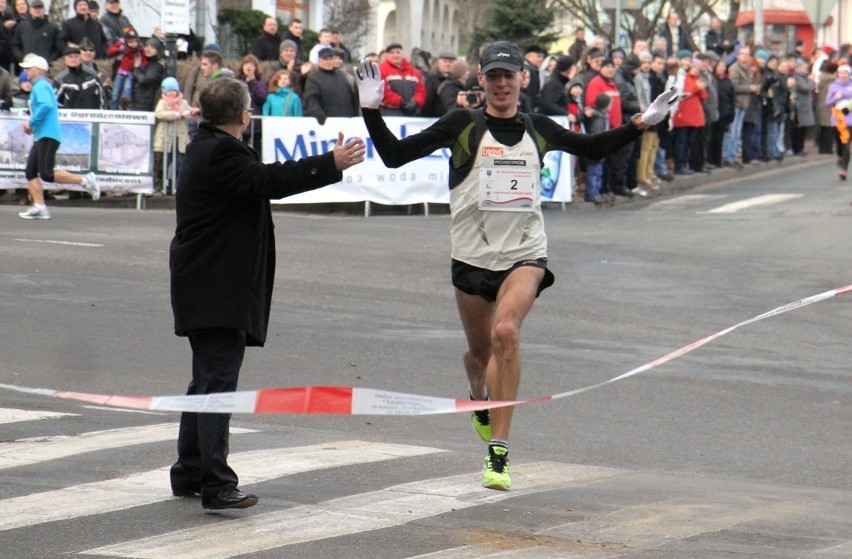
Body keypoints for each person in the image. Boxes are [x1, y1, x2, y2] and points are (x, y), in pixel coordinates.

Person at [354, 41, 676, 491]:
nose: (502, 84)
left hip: (525, 253)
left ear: (523, 78)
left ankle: (499, 454)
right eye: (493, 76)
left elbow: (594, 148)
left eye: (510, 75)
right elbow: (393, 155)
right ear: (481, 81)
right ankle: (477, 394)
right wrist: (371, 109)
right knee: (480, 354)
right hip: (471, 258)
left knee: (506, 334)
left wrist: (642, 122)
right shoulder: (462, 124)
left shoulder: (538, 128)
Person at [168, 77, 365, 510]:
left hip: (206, 283)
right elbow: (269, 180)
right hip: (215, 286)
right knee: (216, 384)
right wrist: (330, 163)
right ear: (244, 115)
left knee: (206, 380)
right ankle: (216, 484)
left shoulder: (208, 148)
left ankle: (190, 470)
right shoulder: (221, 152)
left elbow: (261, 179)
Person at [17, 55, 100, 220]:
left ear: (39, 70)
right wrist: (33, 125)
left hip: (48, 135)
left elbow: (46, 105)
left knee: (46, 173)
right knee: (31, 172)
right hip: (42, 134)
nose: (26, 71)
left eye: (29, 68)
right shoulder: (40, 86)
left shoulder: (41, 85)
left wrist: (31, 122)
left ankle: (84, 180)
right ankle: (39, 206)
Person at [153, 76, 195, 195]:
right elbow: (159, 114)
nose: (171, 93)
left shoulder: (183, 102)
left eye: (173, 90)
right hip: (165, 139)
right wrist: (176, 115)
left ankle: (176, 185)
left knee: (180, 163)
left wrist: (191, 113)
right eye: (169, 91)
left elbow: (189, 112)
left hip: (180, 139)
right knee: (163, 163)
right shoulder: (162, 102)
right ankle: (160, 185)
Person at [303, 47, 358, 124]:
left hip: (346, 121)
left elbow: (352, 99)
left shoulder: (342, 76)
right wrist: (319, 115)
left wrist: (354, 116)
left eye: (331, 58)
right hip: (326, 122)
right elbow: (311, 99)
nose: (328, 62)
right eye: (325, 59)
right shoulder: (313, 78)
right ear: (319, 61)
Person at [378, 42, 426, 116]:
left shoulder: (414, 72)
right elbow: (382, 92)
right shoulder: (381, 70)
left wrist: (415, 102)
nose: (395, 55)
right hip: (389, 112)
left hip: (411, 112)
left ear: (402, 54)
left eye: (398, 52)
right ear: (387, 55)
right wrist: (401, 102)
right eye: (392, 53)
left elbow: (421, 91)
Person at [12, 0, 58, 68]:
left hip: (45, 67)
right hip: (26, 66)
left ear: (44, 10)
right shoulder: (22, 27)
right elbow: (15, 45)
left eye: (40, 8)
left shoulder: (52, 28)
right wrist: (22, 58)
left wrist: (49, 60)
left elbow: (57, 48)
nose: (37, 10)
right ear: (30, 10)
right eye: (35, 8)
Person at [825, 63, 852, 180]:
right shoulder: (833, 86)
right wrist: (836, 98)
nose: (842, 75)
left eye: (845, 73)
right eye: (840, 73)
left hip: (849, 120)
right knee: (839, 145)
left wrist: (844, 94)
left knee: (846, 144)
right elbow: (828, 102)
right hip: (837, 120)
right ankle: (840, 156)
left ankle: (843, 170)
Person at [106, 28, 144, 109]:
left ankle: (127, 108)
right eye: (130, 42)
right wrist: (119, 49)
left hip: (130, 73)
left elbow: (143, 60)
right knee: (115, 93)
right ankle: (113, 110)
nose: (133, 44)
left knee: (127, 90)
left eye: (135, 41)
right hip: (121, 72)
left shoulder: (139, 50)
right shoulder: (123, 46)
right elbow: (110, 50)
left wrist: (141, 66)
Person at [237, 54, 267, 151]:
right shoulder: (238, 82)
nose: (248, 66)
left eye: (251, 64)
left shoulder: (261, 83)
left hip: (256, 124)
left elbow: (262, 97)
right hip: (240, 122)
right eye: (246, 64)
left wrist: (253, 81)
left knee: (257, 150)